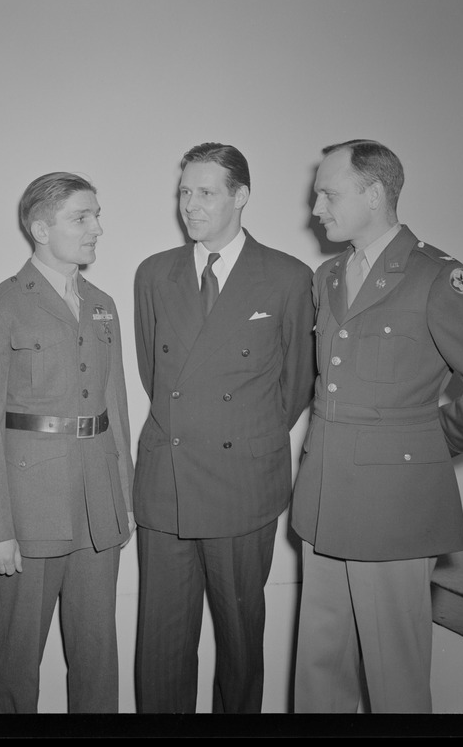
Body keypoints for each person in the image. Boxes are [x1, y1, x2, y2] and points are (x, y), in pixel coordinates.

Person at [291, 139, 463, 713]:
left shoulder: (434, 278)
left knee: (395, 681)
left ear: (374, 194)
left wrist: (426, 444)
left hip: (394, 506)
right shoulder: (328, 276)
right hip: (324, 500)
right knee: (319, 674)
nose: (316, 209)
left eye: (328, 193)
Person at [133, 143, 316, 713]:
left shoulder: (288, 278)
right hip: (167, 483)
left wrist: (240, 431)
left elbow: (294, 385)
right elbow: (152, 372)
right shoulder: (154, 273)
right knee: (160, 647)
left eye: (205, 192)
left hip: (242, 484)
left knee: (240, 644)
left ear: (241, 196)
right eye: (184, 192)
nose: (190, 204)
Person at [0, 172, 134, 713]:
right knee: (17, 665)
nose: (97, 228)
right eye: (82, 218)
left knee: (98, 657)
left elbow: (117, 411)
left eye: (97, 216)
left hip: (95, 510)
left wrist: (121, 506)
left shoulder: (102, 304)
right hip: (27, 516)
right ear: (40, 228)